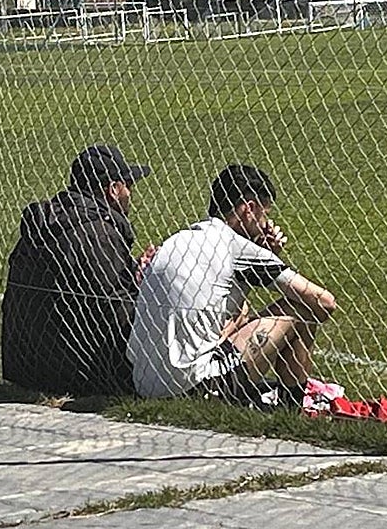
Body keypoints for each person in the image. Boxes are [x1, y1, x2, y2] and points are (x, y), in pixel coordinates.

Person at [127, 163, 336, 406]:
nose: (266, 221)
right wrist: (268, 257)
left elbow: (232, 313)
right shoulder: (235, 245)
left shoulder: (178, 240)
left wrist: (264, 253)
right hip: (195, 389)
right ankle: (293, 407)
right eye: (264, 214)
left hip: (143, 382)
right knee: (302, 309)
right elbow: (324, 302)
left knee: (242, 313)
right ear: (249, 209)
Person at [1, 144, 153, 397]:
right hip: (75, 374)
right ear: (113, 190)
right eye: (128, 185)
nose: (130, 193)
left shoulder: (52, 223)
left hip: (24, 366)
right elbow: (115, 312)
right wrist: (147, 286)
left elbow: (79, 285)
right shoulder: (97, 233)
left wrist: (132, 273)